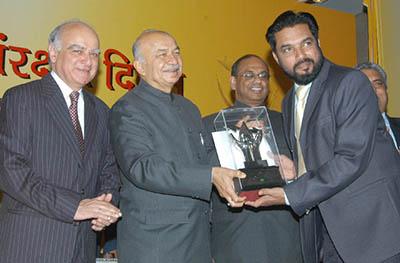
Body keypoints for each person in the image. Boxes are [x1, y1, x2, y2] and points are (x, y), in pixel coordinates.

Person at [245, 10, 400, 263]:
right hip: (324, 233)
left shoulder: (350, 82)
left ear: (318, 43)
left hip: (372, 232)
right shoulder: (288, 102)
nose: (300, 55)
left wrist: (288, 194)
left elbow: (351, 158)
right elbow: (317, 158)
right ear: (276, 58)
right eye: (287, 49)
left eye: (306, 43)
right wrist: (294, 170)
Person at [109, 29, 246, 263]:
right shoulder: (128, 109)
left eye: (176, 52)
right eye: (161, 54)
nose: (173, 60)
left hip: (198, 240)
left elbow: (204, 159)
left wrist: (238, 140)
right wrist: (209, 176)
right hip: (157, 244)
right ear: (139, 68)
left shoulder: (189, 108)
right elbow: (143, 167)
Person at [0, 20, 121, 263]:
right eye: (77, 50)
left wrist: (105, 207)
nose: (88, 60)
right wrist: (74, 207)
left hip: (83, 248)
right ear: (53, 53)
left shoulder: (102, 110)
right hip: (31, 245)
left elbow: (109, 170)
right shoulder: (21, 98)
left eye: (94, 53)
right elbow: (10, 170)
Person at [203, 54, 303, 263]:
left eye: (263, 75)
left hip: (287, 234)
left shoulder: (287, 122)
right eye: (248, 75)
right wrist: (235, 136)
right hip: (236, 236)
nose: (257, 80)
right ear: (233, 82)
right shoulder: (209, 124)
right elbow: (204, 174)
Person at [356, 62, 400, 152]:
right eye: (364, 84)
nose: (373, 89)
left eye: (378, 83)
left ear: (386, 90)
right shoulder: (344, 136)